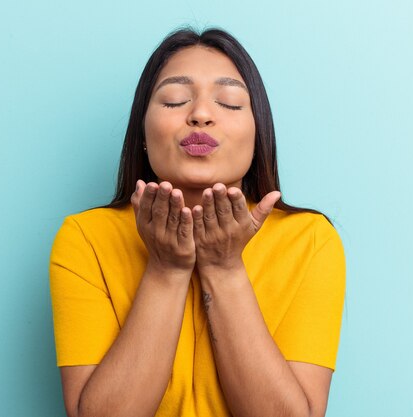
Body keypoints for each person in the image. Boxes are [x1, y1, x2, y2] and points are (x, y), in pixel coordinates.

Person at [49, 27, 345, 417]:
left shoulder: (311, 241)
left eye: (230, 103)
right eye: (174, 101)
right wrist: (165, 269)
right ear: (141, 131)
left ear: (259, 136)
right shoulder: (85, 239)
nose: (201, 115)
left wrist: (224, 268)